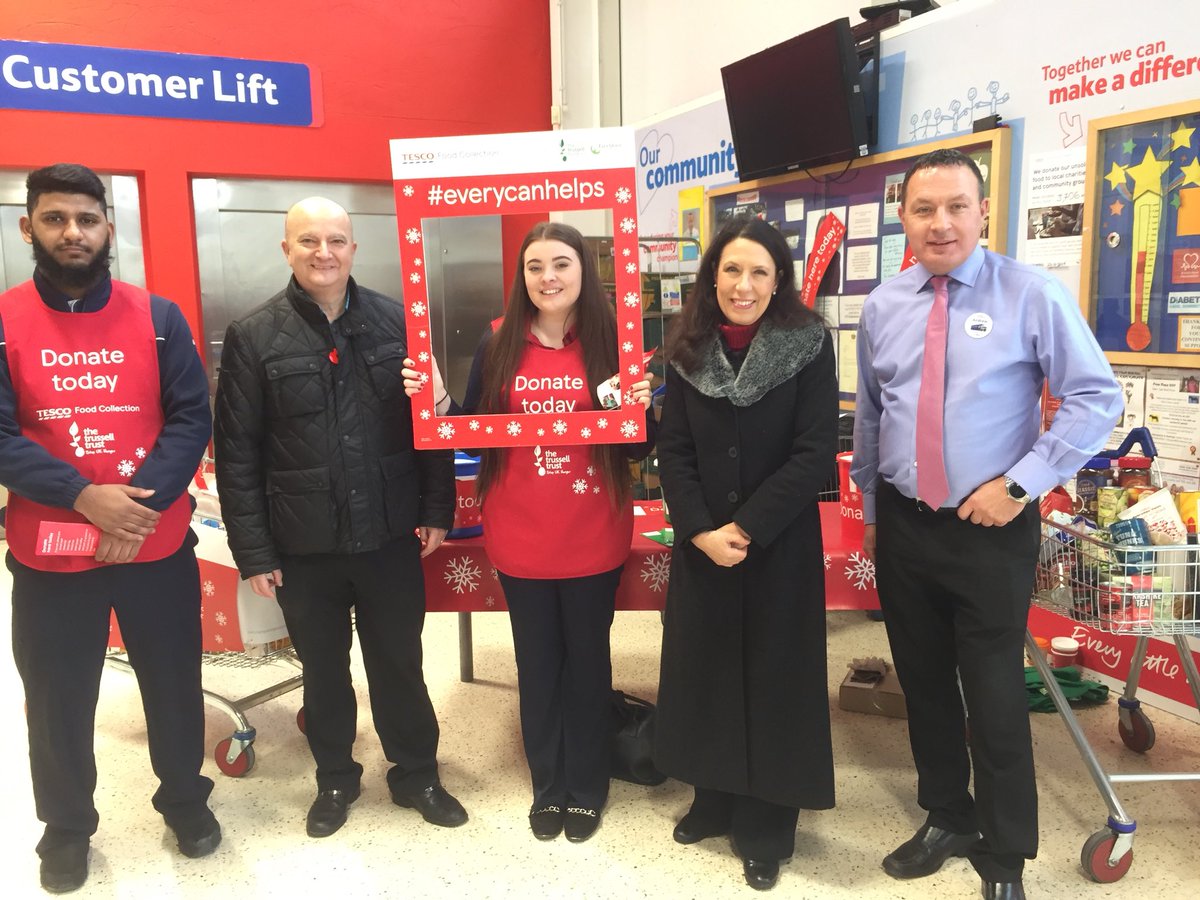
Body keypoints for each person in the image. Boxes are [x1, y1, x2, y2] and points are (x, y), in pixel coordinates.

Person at [852, 149, 1122, 900]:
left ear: (982, 212)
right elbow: (874, 420)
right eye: (923, 208)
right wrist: (873, 511)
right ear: (903, 217)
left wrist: (1020, 484)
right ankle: (947, 816)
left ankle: (1005, 855)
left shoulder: (1031, 292)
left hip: (990, 528)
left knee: (996, 694)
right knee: (926, 685)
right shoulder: (884, 305)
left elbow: (1097, 400)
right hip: (906, 529)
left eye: (956, 206)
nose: (940, 222)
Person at [213, 197, 465, 839]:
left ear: (354, 248)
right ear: (286, 249)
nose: (323, 252)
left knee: (399, 663)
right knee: (323, 672)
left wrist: (439, 506)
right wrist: (255, 551)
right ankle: (334, 780)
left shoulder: (398, 322)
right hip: (304, 545)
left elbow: (429, 424)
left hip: (388, 534)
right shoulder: (253, 336)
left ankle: (417, 774)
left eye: (336, 240)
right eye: (308, 241)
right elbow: (237, 453)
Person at [0, 163, 220, 893]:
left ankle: (185, 799)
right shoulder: (3, 323)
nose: (73, 232)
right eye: (57, 218)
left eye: (87, 220)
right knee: (57, 695)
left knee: (173, 680)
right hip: (50, 549)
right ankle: (65, 828)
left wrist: (139, 506)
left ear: (108, 230)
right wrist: (85, 497)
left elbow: (192, 416)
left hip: (153, 544)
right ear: (28, 226)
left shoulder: (158, 318)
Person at [402, 221, 653, 843]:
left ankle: (588, 787)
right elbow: (473, 431)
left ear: (582, 272)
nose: (548, 277)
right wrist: (435, 405)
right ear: (522, 277)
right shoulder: (497, 346)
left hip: (593, 531)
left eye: (561, 264)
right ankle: (549, 786)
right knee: (537, 667)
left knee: (588, 666)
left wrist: (641, 408)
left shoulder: (613, 344)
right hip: (519, 533)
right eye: (536, 266)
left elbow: (637, 448)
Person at [653, 215, 837, 892]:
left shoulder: (808, 344)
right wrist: (700, 528)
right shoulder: (687, 348)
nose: (744, 284)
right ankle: (715, 795)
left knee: (773, 676)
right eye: (731, 269)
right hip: (703, 546)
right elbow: (673, 450)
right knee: (706, 671)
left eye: (760, 271)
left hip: (777, 543)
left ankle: (768, 820)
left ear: (779, 280)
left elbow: (814, 451)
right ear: (712, 276)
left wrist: (748, 527)